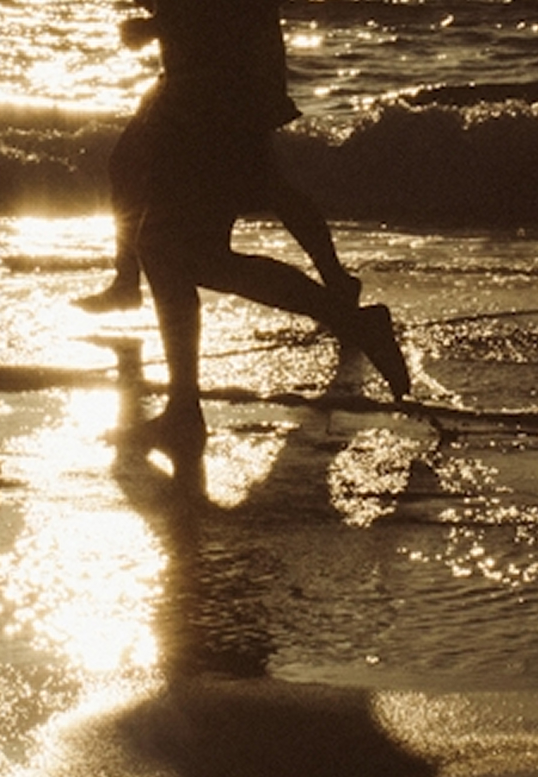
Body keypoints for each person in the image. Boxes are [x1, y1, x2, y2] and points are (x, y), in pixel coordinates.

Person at [126, 0, 410, 453]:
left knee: (171, 250)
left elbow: (224, 14)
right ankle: (185, 408)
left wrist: (161, 24)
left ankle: (186, 410)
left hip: (209, 103)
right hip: (215, 96)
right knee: (182, 252)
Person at [75, 0, 360, 314]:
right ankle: (126, 280)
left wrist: (156, 27)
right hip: (206, 77)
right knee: (130, 165)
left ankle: (343, 304)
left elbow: (219, 13)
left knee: (263, 191)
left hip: (225, 82)